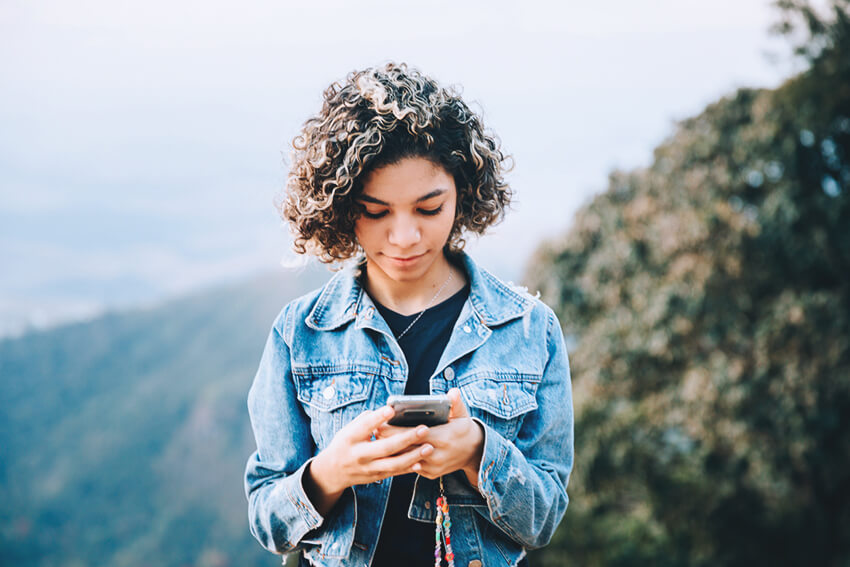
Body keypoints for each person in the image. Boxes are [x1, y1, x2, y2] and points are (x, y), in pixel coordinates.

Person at [244, 62, 573, 567]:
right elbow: (268, 522)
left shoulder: (531, 329)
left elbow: (544, 518)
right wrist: (330, 472)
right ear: (340, 208)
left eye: (428, 208)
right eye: (376, 212)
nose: (404, 237)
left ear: (462, 193)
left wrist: (479, 452)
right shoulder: (301, 333)